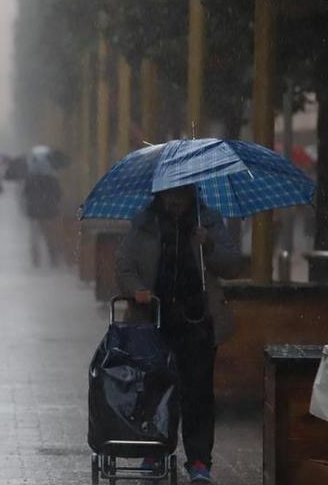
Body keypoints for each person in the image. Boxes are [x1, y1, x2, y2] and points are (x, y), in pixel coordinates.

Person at [115, 185, 241, 483]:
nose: (174, 201)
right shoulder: (144, 223)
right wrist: (136, 291)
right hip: (154, 321)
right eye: (168, 194)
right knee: (156, 390)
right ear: (158, 194)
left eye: (181, 194)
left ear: (191, 193)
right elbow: (124, 265)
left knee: (198, 394)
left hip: (198, 321)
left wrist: (209, 245)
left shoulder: (207, 221)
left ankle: (199, 461)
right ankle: (155, 450)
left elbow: (233, 264)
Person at [22, 156, 63, 267]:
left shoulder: (30, 179)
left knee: (35, 236)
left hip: (34, 212)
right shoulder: (52, 179)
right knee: (49, 236)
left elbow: (25, 194)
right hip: (49, 211)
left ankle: (36, 259)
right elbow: (59, 194)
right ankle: (53, 257)